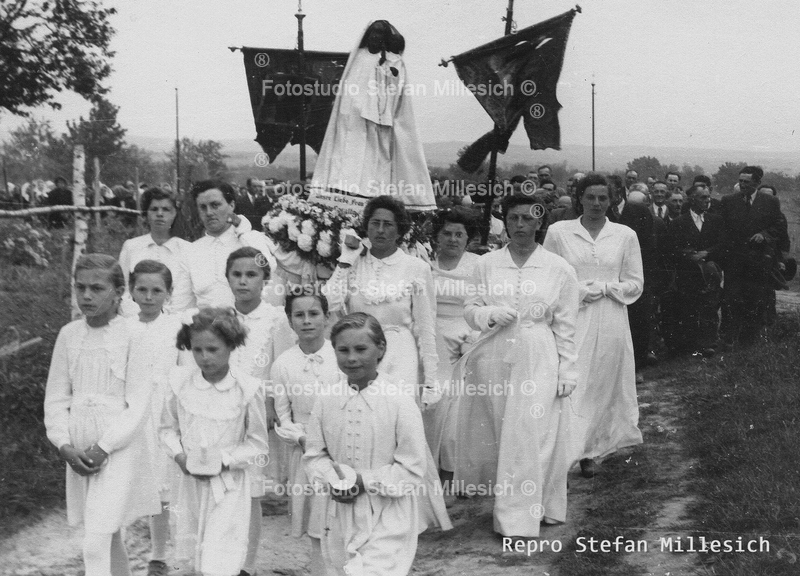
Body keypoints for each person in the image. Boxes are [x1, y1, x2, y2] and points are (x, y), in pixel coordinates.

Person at [322, 195, 451, 532]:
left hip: (400, 353)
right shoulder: (354, 262)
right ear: (366, 226)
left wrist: (432, 379)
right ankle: (365, 500)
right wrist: (346, 259)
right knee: (364, 421)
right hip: (359, 354)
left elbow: (425, 325)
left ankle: (410, 510)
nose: (380, 230)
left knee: (399, 426)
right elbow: (332, 301)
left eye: (388, 224)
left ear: (400, 230)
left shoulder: (416, 268)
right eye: (374, 223)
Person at [453, 193, 579, 537]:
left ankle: (519, 518)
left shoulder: (559, 268)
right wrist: (488, 314)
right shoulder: (486, 264)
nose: (520, 225)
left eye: (528, 218)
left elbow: (566, 325)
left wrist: (568, 370)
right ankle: (521, 506)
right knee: (504, 434)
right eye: (513, 219)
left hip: (539, 354)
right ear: (504, 222)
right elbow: (470, 309)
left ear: (541, 223)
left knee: (533, 433)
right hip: (495, 356)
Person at [44, 254, 161, 576]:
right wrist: (64, 445)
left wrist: (104, 447)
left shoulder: (135, 334)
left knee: (95, 540)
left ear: (119, 291)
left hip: (117, 446)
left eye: (96, 288)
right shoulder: (68, 334)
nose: (86, 296)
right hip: (78, 445)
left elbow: (138, 404)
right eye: (80, 288)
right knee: (107, 535)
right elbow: (55, 399)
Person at [303, 313, 429, 576]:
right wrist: (333, 481)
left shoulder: (398, 401)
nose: (351, 358)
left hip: (387, 513)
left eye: (361, 349)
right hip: (338, 513)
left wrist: (364, 481)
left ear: (380, 348)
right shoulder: (327, 399)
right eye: (343, 350)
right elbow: (315, 455)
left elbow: (413, 468)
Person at [543, 174, 643, 478]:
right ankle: (566, 449)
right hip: (573, 316)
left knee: (602, 383)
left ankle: (591, 450)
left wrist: (607, 288)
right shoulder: (559, 232)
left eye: (603, 198)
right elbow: (548, 277)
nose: (597, 204)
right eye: (590, 197)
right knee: (574, 380)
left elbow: (636, 283)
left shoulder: (625, 235)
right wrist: (581, 291)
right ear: (579, 198)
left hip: (611, 316)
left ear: (611, 200)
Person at [161, 308, 269, 576]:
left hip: (228, 486)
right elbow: (166, 429)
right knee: (192, 557)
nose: (204, 357)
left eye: (213, 349)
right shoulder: (180, 383)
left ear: (231, 346)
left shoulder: (246, 388)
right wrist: (180, 456)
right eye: (197, 350)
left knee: (218, 561)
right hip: (189, 484)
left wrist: (225, 460)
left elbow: (258, 445)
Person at [225, 247, 295, 576]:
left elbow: (280, 365)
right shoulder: (219, 316)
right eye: (237, 274)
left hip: (256, 410)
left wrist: (269, 403)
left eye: (251, 274)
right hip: (222, 408)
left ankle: (248, 565)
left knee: (250, 490)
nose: (243, 281)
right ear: (227, 278)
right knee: (223, 486)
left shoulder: (276, 318)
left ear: (265, 280)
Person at [272, 291, 338, 575]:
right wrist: (304, 439)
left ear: (327, 318)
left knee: (339, 515)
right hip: (306, 451)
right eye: (299, 315)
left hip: (340, 448)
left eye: (314, 314)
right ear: (289, 321)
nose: (307, 321)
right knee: (315, 519)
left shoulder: (340, 357)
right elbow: (283, 419)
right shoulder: (283, 364)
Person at [125, 260, 184, 576]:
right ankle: (115, 550)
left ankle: (159, 556)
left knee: (163, 486)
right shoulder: (123, 327)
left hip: (163, 411)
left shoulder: (177, 328)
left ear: (169, 293)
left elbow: (185, 372)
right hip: (131, 411)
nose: (149, 297)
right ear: (132, 291)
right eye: (142, 289)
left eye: (156, 290)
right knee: (127, 481)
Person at [423, 207, 481, 484]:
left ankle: (451, 473)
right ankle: (427, 473)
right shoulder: (423, 261)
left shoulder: (477, 266)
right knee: (431, 406)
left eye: (459, 234)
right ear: (436, 236)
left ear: (468, 239)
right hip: (430, 336)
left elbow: (484, 305)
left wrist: (474, 336)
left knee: (457, 410)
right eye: (446, 233)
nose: (453, 239)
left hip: (466, 339)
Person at [184, 180, 279, 309]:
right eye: (203, 207)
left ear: (232, 205)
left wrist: (243, 230)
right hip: (205, 325)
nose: (209, 213)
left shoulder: (251, 240)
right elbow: (184, 303)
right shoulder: (192, 250)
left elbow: (269, 270)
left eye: (215, 205)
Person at [719, 166, 784, 345]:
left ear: (757, 183)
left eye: (746, 182)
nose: (742, 185)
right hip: (734, 260)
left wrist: (765, 235)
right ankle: (729, 338)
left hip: (758, 261)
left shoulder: (770, 202)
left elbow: (778, 226)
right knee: (732, 299)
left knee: (754, 301)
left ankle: (748, 341)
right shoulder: (728, 201)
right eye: (740, 181)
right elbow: (721, 229)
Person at [665, 185, 726, 355]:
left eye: (708, 197)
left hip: (710, 273)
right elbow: (671, 248)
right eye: (703, 198)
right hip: (688, 273)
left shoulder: (716, 220)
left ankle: (709, 343)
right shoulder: (679, 222)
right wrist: (687, 255)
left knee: (710, 306)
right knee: (688, 307)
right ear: (692, 199)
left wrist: (707, 253)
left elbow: (723, 244)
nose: (707, 201)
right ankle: (688, 344)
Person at [606, 176, 655, 378]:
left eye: (613, 191)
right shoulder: (603, 213)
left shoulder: (639, 212)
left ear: (621, 190)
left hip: (635, 273)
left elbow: (650, 247)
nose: (611, 196)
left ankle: (636, 367)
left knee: (637, 320)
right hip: (609, 274)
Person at [118, 187, 193, 316]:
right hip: (137, 319)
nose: (159, 214)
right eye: (154, 209)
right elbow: (122, 288)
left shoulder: (188, 249)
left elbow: (186, 294)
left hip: (176, 321)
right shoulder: (131, 246)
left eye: (166, 209)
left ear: (174, 213)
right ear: (146, 213)